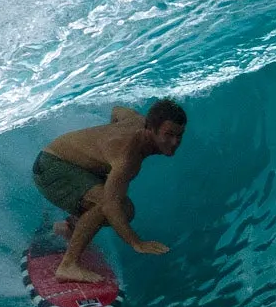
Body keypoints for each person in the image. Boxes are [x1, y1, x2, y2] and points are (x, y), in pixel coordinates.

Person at [33, 100, 188, 284]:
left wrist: (104, 144)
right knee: (110, 205)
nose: (175, 142)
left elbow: (117, 110)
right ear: (150, 128)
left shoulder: (137, 120)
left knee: (123, 207)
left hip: (72, 166)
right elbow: (109, 205)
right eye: (168, 135)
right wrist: (136, 243)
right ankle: (68, 266)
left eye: (179, 135)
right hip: (51, 167)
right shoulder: (128, 154)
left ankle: (69, 227)